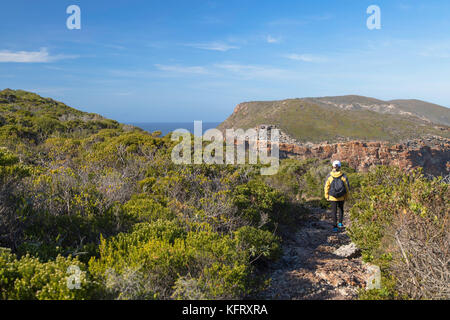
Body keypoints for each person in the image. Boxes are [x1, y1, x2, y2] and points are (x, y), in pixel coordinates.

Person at [324, 160, 350, 233]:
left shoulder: (329, 176)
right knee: (341, 209)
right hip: (341, 196)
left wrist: (326, 196)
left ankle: (335, 227)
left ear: (332, 166)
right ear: (340, 167)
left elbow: (326, 187)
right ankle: (340, 223)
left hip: (332, 197)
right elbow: (347, 187)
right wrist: (347, 196)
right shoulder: (343, 176)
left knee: (334, 212)